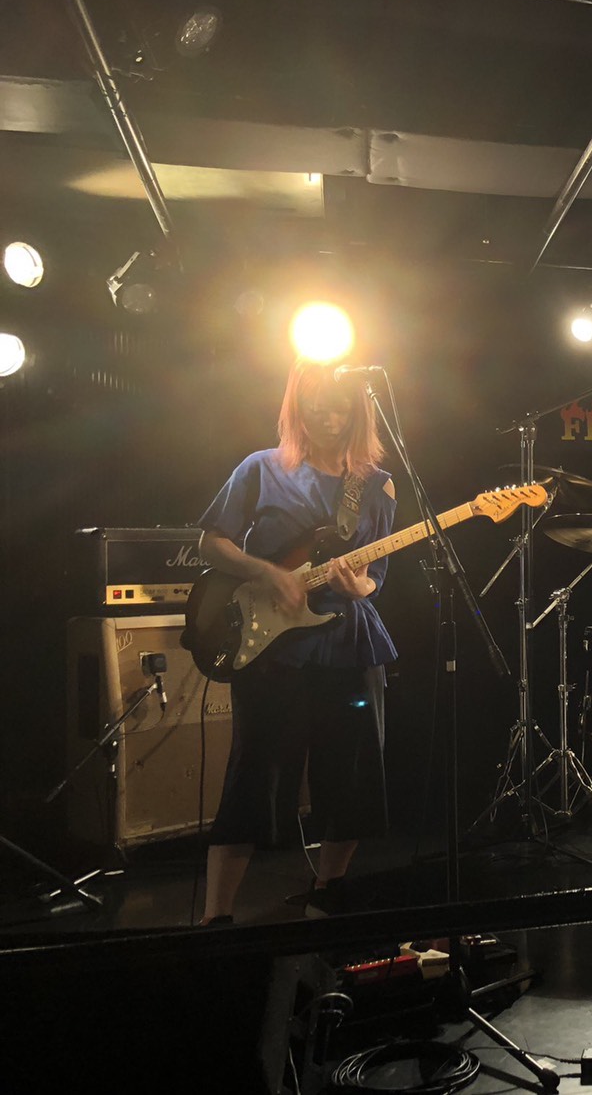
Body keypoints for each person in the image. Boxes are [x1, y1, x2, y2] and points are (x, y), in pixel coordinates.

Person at [195, 358, 397, 924]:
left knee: (353, 779)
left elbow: (377, 577)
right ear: (297, 408)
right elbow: (211, 542)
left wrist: (360, 587)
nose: (328, 418)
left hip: (350, 648)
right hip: (272, 651)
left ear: (358, 412)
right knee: (253, 778)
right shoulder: (260, 468)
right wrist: (266, 573)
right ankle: (216, 918)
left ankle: (326, 895)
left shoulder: (377, 484)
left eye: (340, 408)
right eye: (316, 407)